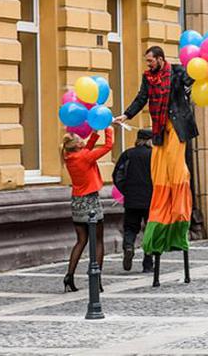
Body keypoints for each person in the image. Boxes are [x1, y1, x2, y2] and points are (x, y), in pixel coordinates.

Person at [114, 46, 198, 255]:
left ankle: (179, 210)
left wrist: (192, 85)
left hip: (178, 125)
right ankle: (164, 208)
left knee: (176, 165)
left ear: (160, 59)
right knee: (161, 168)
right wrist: (126, 115)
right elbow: (142, 98)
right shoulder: (148, 78)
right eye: (147, 61)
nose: (148, 64)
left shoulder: (178, 72)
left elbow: (194, 79)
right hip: (160, 127)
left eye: (151, 61)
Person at [62, 127, 113, 292]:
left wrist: (96, 131)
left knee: (81, 241)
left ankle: (69, 275)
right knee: (98, 241)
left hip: (77, 201)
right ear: (77, 144)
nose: (82, 139)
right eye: (79, 138)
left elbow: (88, 147)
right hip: (90, 200)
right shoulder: (84, 157)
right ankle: (96, 278)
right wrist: (109, 129)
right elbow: (107, 146)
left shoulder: (69, 156)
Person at [112, 129, 155, 272]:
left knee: (130, 227)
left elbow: (117, 175)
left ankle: (129, 247)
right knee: (150, 229)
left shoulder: (128, 154)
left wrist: (125, 190)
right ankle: (148, 263)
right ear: (149, 140)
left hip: (131, 198)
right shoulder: (154, 155)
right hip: (151, 199)